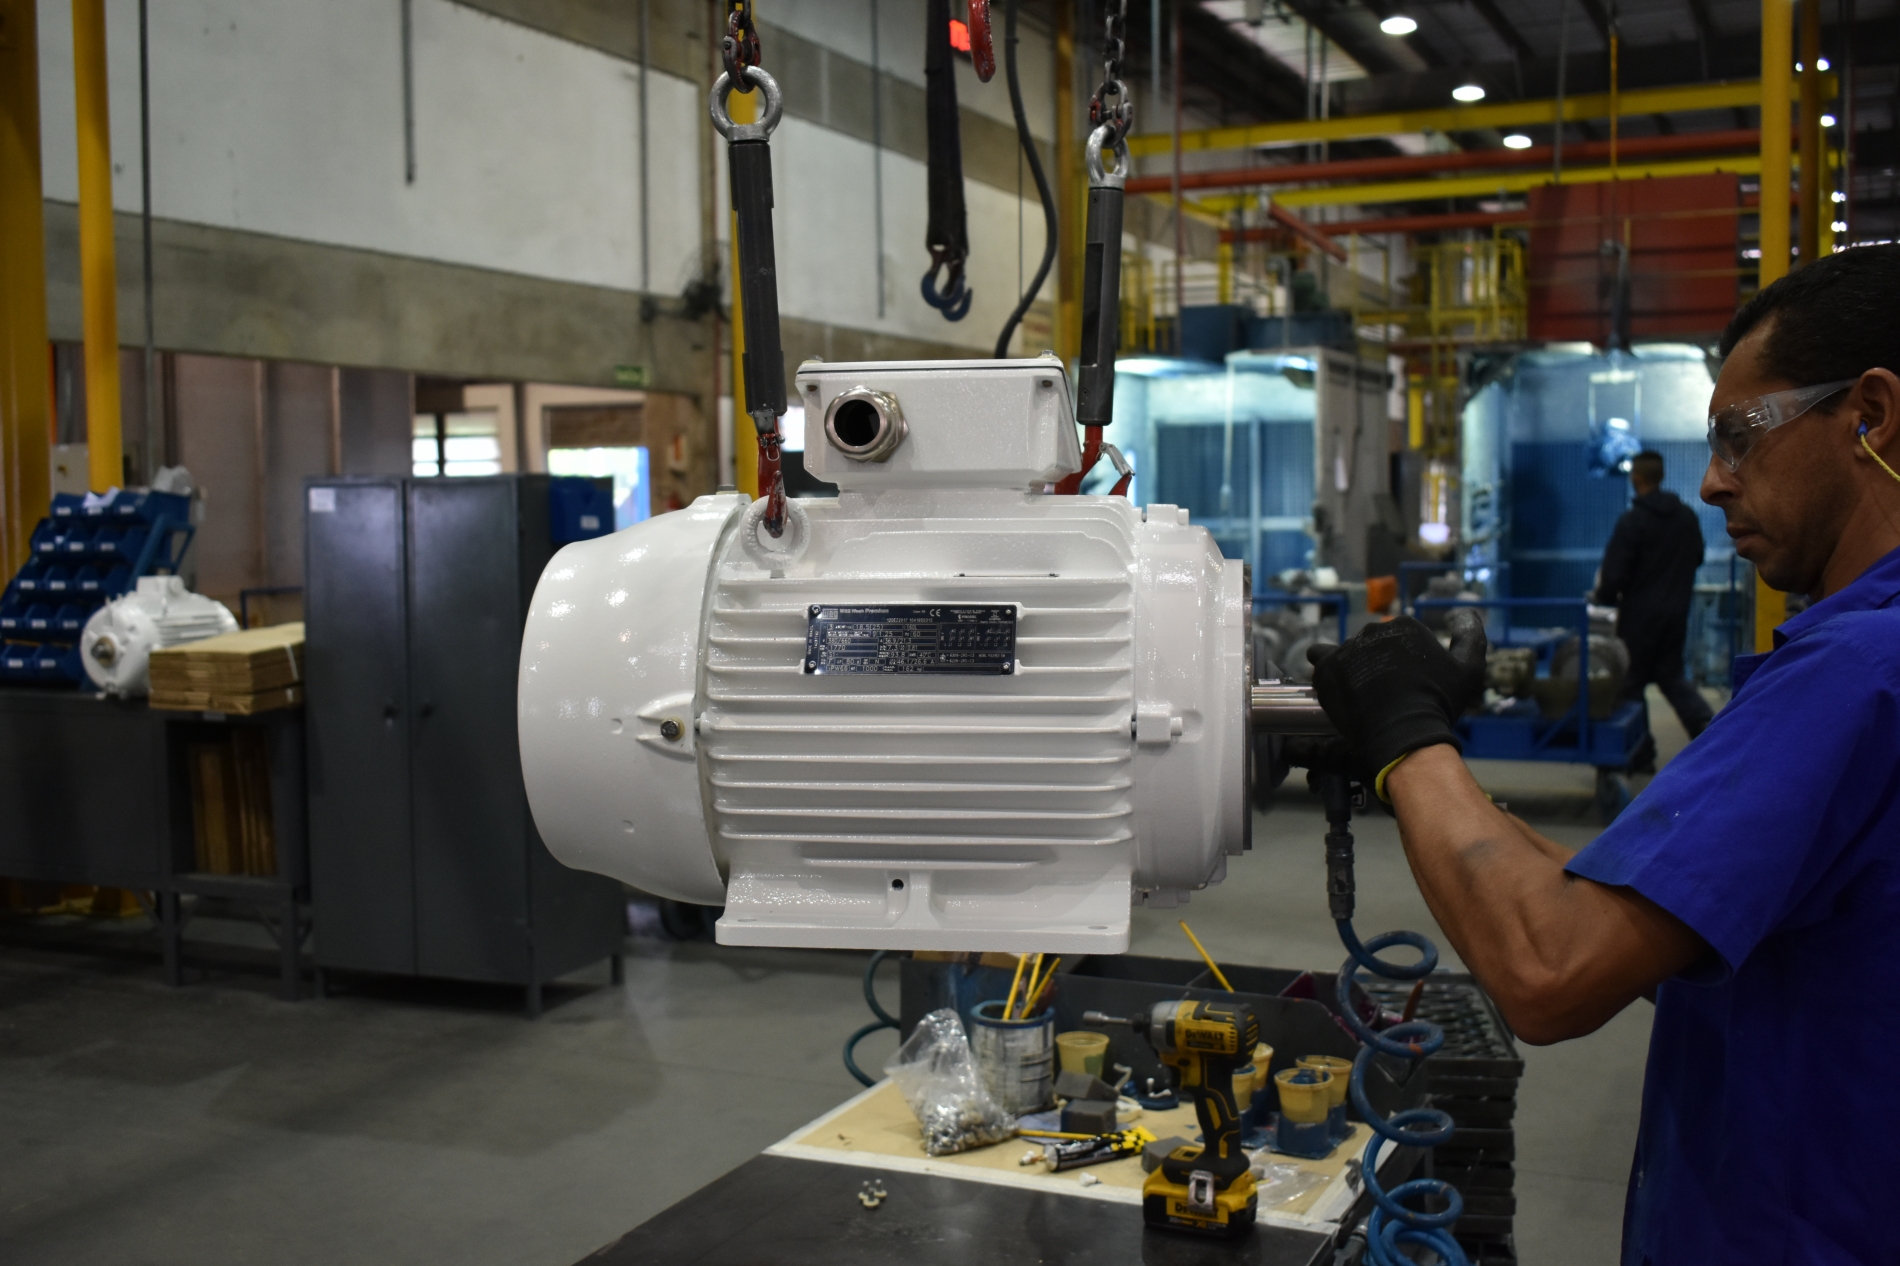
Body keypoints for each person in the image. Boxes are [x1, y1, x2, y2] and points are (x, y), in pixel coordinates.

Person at [1301, 243, 1900, 1264]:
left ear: (1871, 415)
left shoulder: (1856, 670)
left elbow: (1551, 969)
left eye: (1740, 436)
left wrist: (1409, 744)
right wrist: (1470, 812)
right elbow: (1650, 923)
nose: (1716, 481)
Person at [1593, 449, 1714, 747]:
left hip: (1638, 619)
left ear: (1636, 477)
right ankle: (1707, 729)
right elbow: (1697, 557)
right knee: (1671, 677)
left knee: (1630, 684)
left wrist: (1604, 598)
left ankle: (1639, 749)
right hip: (1676, 614)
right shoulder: (1686, 517)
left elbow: (1613, 576)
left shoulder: (1633, 522)